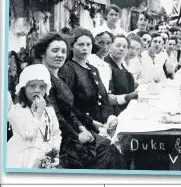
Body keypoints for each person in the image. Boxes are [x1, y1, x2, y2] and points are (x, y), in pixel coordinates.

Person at [33, 33, 125, 169]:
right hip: (56, 137)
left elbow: (68, 111)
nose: (60, 55)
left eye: (63, 51)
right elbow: (54, 115)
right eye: (54, 50)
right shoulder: (41, 79)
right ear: (43, 54)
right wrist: (77, 136)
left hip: (71, 130)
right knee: (107, 150)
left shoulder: (56, 77)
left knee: (110, 147)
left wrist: (82, 128)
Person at [59, 28, 114, 133]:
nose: (85, 48)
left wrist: (110, 118)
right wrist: (90, 121)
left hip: (102, 124)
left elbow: (104, 99)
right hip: (83, 127)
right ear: (71, 46)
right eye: (80, 45)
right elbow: (67, 104)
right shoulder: (68, 69)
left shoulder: (93, 69)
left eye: (88, 45)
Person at [7, 64, 61, 168]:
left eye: (42, 87)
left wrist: (54, 155)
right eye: (32, 86)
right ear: (23, 87)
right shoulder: (17, 110)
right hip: (21, 159)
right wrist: (39, 112)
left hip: (43, 158)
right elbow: (28, 133)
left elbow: (55, 134)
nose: (37, 90)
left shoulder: (49, 110)